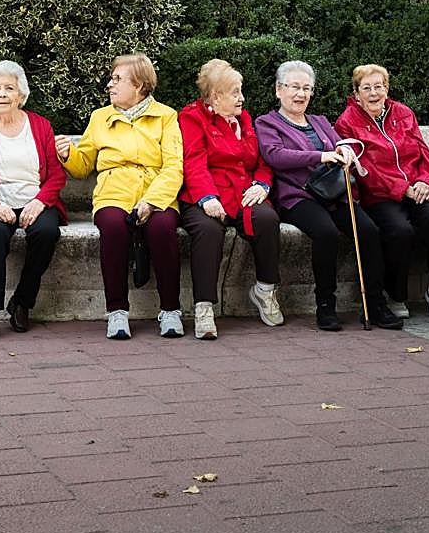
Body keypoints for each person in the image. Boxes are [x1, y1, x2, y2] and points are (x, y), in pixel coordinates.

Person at [255, 60, 401, 331]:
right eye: (294, 87)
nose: (301, 94)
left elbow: (340, 144)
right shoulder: (267, 123)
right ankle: (325, 305)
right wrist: (322, 155)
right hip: (298, 197)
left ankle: (375, 304)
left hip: (334, 193)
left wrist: (345, 152)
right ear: (278, 90)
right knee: (326, 233)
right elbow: (275, 155)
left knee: (367, 230)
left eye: (306, 88)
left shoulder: (320, 122)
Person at [56, 54, 184, 340]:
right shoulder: (100, 117)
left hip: (156, 191)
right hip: (113, 192)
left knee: (162, 227)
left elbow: (174, 166)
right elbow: (82, 165)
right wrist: (68, 154)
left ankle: (171, 309)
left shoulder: (166, 116)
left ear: (139, 84)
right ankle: (116, 311)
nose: (109, 85)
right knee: (113, 227)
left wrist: (151, 201)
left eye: (117, 79)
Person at [0, 61, 66, 344]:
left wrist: (40, 201)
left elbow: (56, 173)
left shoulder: (40, 126)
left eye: (9, 88)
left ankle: (22, 301)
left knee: (46, 232)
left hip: (35, 201)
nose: (2, 94)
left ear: (21, 95)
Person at [335, 64, 429, 320]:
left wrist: (425, 183)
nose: (374, 93)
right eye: (367, 88)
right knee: (400, 230)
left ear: (387, 89)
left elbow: (424, 153)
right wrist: (404, 190)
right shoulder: (347, 122)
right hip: (379, 195)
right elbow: (364, 169)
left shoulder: (403, 113)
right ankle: (396, 295)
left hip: (416, 187)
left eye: (379, 86)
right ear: (356, 93)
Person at [178, 59, 278, 339]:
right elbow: (193, 162)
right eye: (234, 92)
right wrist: (207, 198)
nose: (242, 98)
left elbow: (261, 160)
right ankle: (204, 307)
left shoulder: (243, 119)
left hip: (243, 192)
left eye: (240, 91)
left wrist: (262, 184)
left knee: (268, 219)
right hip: (204, 194)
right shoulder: (191, 117)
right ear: (214, 97)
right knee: (208, 230)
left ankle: (265, 290)